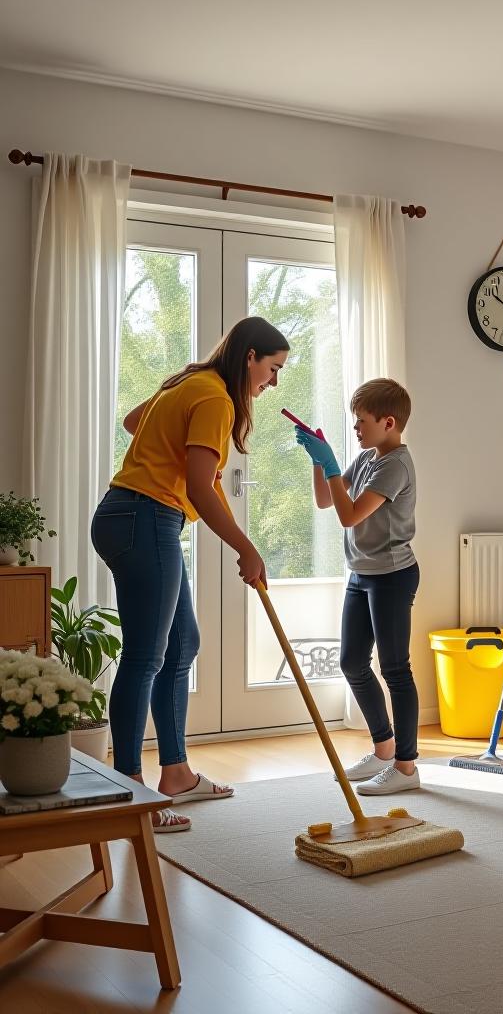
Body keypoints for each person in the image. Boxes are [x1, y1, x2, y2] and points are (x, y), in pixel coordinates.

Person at [92, 316, 289, 833]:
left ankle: (175, 772)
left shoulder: (187, 382)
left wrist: (184, 454)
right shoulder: (218, 398)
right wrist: (247, 549)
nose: (272, 382)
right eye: (273, 368)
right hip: (146, 517)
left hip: (126, 515)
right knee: (145, 656)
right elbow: (201, 490)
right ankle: (130, 792)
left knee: (181, 646)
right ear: (250, 357)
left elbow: (137, 421)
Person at [294, 378, 421, 796]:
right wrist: (319, 460)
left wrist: (331, 463)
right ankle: (384, 748)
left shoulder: (395, 465)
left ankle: (406, 767)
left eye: (360, 421)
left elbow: (350, 516)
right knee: (351, 662)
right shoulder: (368, 457)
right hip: (362, 574)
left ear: (388, 422)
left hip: (392, 575)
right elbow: (326, 501)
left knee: (395, 670)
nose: (356, 429)